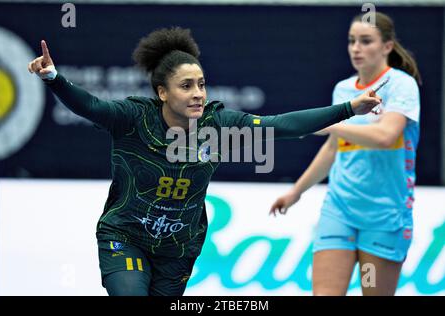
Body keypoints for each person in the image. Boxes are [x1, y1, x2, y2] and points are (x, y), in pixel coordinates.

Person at [28, 27, 381, 296]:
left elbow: (282, 126)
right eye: (186, 86)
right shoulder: (133, 118)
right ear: (163, 93)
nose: (197, 93)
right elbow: (90, 106)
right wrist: (53, 79)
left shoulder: (219, 125)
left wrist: (349, 108)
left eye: (201, 84)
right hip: (125, 235)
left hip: (179, 247)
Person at [270, 12, 421, 296]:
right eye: (352, 41)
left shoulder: (401, 85)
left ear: (387, 46)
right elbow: (334, 149)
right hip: (339, 210)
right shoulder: (343, 89)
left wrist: (329, 127)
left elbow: (386, 136)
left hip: (384, 216)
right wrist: (296, 192)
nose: (356, 48)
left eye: (366, 41)